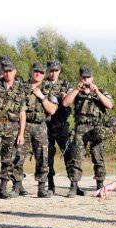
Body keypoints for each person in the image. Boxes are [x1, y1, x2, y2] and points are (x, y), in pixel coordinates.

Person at [63, 66, 114, 197]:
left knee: (98, 156)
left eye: (88, 77)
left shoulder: (101, 91)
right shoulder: (75, 91)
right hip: (80, 127)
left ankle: (100, 185)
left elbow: (110, 105)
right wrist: (76, 89)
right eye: (84, 77)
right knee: (76, 157)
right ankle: (74, 185)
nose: (86, 80)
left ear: (92, 77)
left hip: (96, 128)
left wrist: (97, 92)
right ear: (80, 78)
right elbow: (65, 103)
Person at [12, 62, 58, 198]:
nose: (38, 74)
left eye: (41, 72)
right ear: (31, 71)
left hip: (40, 126)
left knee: (42, 157)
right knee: (18, 156)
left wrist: (42, 96)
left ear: (44, 75)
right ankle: (17, 185)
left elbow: (52, 110)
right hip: (24, 125)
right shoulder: (22, 87)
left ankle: (42, 187)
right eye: (36, 71)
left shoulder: (49, 88)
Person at [0, 57, 25, 199]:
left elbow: (22, 113)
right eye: (5, 71)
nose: (7, 74)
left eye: (10, 71)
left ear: (15, 71)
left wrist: (21, 134)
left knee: (8, 159)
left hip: (12, 128)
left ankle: (3, 188)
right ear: (2, 71)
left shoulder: (20, 89)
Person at [44, 60, 74, 195]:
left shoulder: (65, 84)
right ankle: (50, 185)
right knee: (48, 156)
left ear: (59, 71)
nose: (53, 73)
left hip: (61, 124)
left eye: (56, 70)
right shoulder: (42, 84)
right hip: (46, 125)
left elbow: (70, 100)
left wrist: (64, 96)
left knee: (69, 153)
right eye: (51, 70)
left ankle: (74, 184)